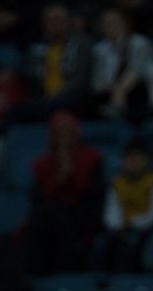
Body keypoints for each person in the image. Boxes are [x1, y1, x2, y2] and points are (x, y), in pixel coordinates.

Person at [27, 110, 106, 274]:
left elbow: (96, 196)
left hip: (84, 216)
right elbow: (39, 201)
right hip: (51, 219)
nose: (64, 138)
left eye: (68, 132)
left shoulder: (92, 159)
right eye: (59, 133)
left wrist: (72, 176)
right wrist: (59, 180)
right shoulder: (43, 165)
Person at [89, 6, 153, 124]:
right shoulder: (98, 50)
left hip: (147, 96)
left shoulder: (141, 43)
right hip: (113, 97)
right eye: (106, 23)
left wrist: (120, 91)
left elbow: (137, 72)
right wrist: (114, 91)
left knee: (136, 90)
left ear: (125, 24)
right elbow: (98, 83)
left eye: (114, 22)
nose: (110, 26)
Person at [101, 140, 153, 270]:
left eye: (138, 157)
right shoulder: (117, 183)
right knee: (101, 243)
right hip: (120, 229)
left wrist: (134, 223)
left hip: (146, 228)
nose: (133, 161)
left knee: (131, 243)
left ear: (147, 160)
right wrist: (118, 226)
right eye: (129, 157)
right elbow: (111, 212)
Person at [24, 3, 93, 117]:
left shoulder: (82, 45)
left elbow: (80, 80)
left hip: (72, 100)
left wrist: (57, 97)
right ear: (43, 23)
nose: (55, 24)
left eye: (59, 20)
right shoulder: (35, 49)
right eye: (51, 20)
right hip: (42, 101)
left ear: (69, 22)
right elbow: (28, 74)